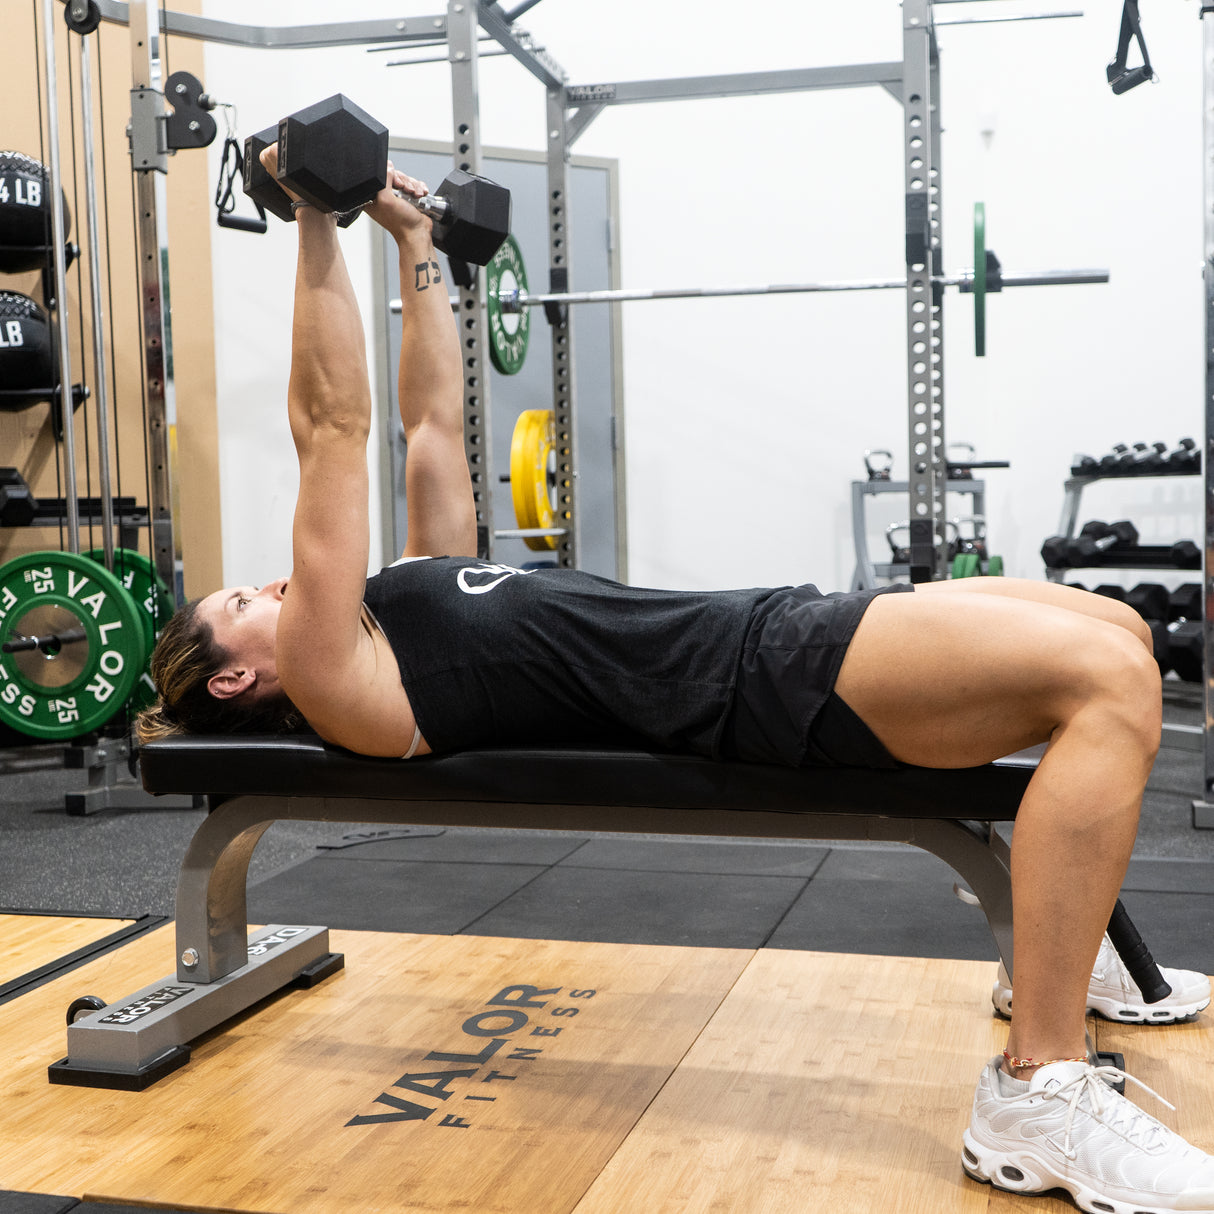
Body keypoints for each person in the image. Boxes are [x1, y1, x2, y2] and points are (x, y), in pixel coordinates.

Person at [137, 148, 1214, 1212]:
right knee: (1106, 681)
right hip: (748, 687)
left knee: (1120, 626)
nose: (266, 585)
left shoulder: (404, 592)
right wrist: (313, 211)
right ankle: (1036, 1086)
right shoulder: (336, 675)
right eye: (241, 603)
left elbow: (429, 422)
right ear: (235, 683)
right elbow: (333, 429)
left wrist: (412, 240)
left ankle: (1061, 949)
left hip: (764, 629)